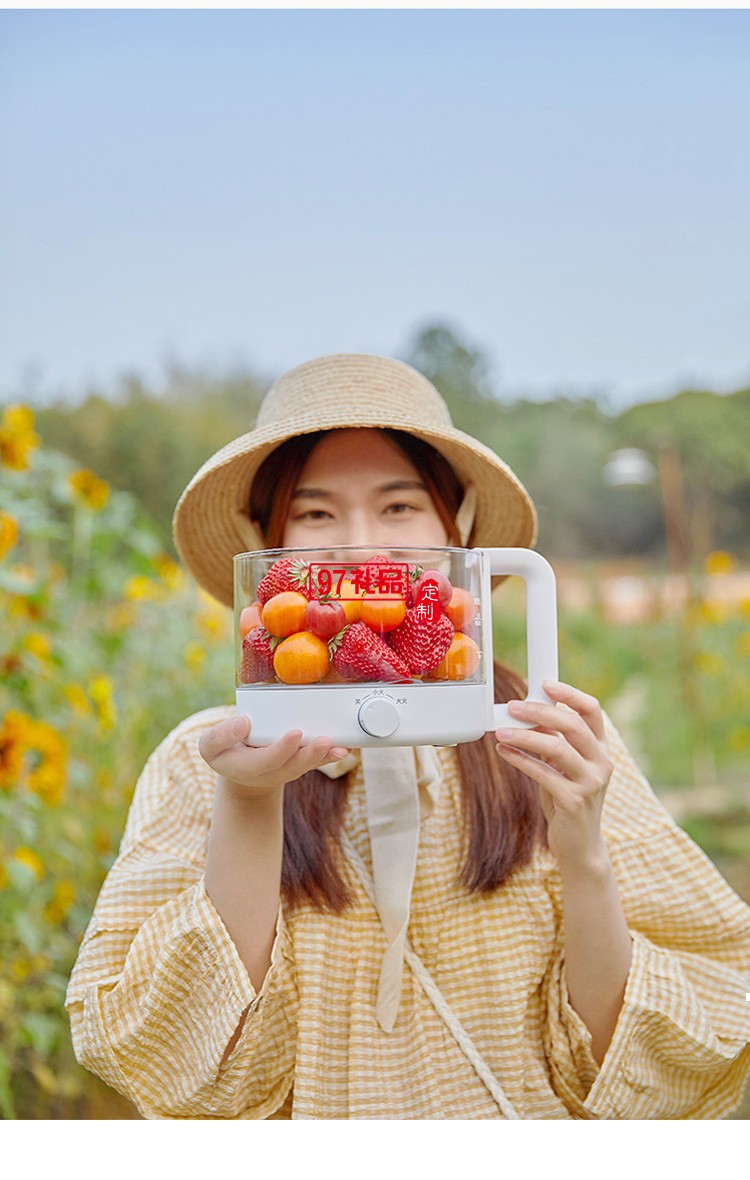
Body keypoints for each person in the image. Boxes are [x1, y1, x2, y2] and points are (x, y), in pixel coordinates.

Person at [66, 353, 750, 1120]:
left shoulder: (541, 735)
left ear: (458, 530)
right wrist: (249, 803)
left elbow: (649, 1074)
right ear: (268, 543)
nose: (361, 550)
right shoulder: (206, 762)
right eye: (316, 514)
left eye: (399, 508)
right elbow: (180, 1071)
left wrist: (583, 845)